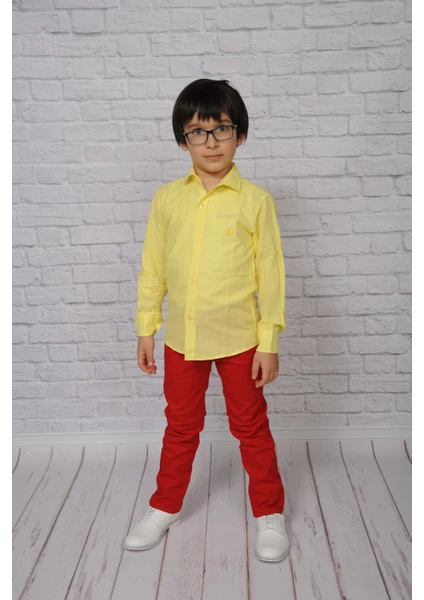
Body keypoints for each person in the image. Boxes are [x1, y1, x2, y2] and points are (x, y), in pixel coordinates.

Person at [123, 79, 290, 563]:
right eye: (198, 132)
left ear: (241, 135)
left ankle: (269, 511)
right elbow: (153, 268)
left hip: (241, 339)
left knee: (251, 426)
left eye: (222, 129)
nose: (211, 141)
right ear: (183, 140)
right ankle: (165, 506)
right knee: (180, 426)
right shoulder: (166, 199)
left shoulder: (255, 200)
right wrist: (146, 327)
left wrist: (269, 341)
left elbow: (271, 273)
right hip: (182, 338)